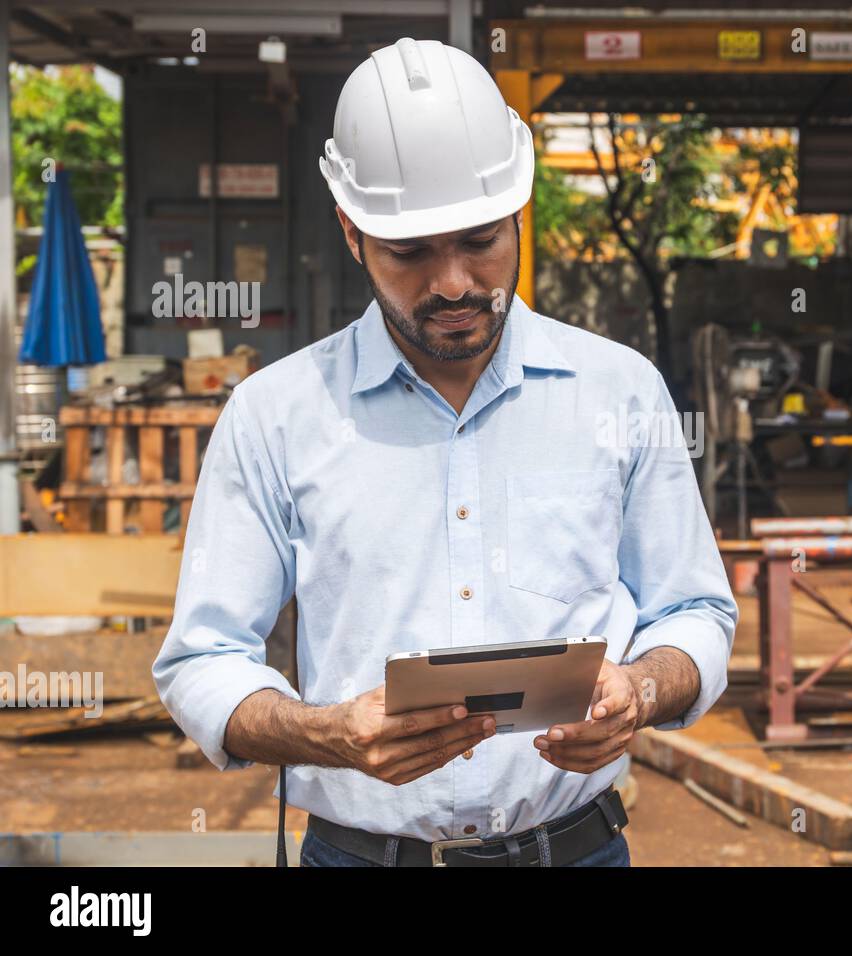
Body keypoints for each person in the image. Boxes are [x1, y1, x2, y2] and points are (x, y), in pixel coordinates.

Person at [152, 39, 737, 868]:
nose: (456, 282)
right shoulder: (275, 417)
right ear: (352, 233)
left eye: (481, 239)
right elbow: (203, 659)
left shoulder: (620, 393)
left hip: (575, 851)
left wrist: (640, 689)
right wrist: (325, 734)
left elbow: (696, 612)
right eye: (412, 251)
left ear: (520, 212)